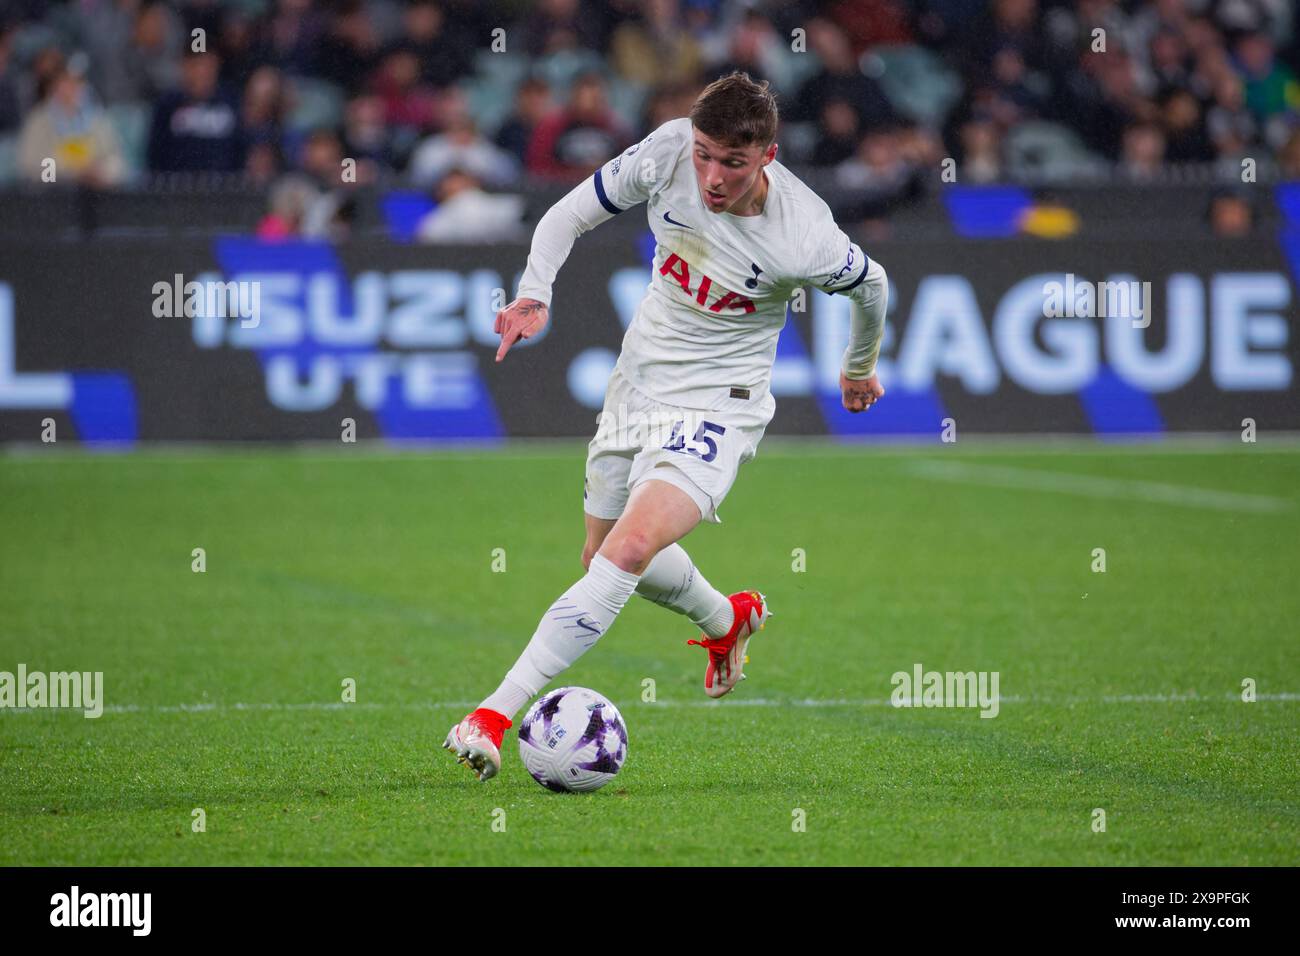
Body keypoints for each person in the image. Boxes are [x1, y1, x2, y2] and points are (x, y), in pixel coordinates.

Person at [444, 72, 888, 782]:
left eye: (733, 163)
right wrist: (533, 293)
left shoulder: (804, 234)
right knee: (602, 557)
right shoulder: (667, 151)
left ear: (767, 156)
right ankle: (727, 620)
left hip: (719, 403)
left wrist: (859, 367)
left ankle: (494, 712)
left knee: (628, 548)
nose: (712, 176)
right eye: (706, 154)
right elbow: (567, 215)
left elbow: (872, 285)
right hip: (636, 382)